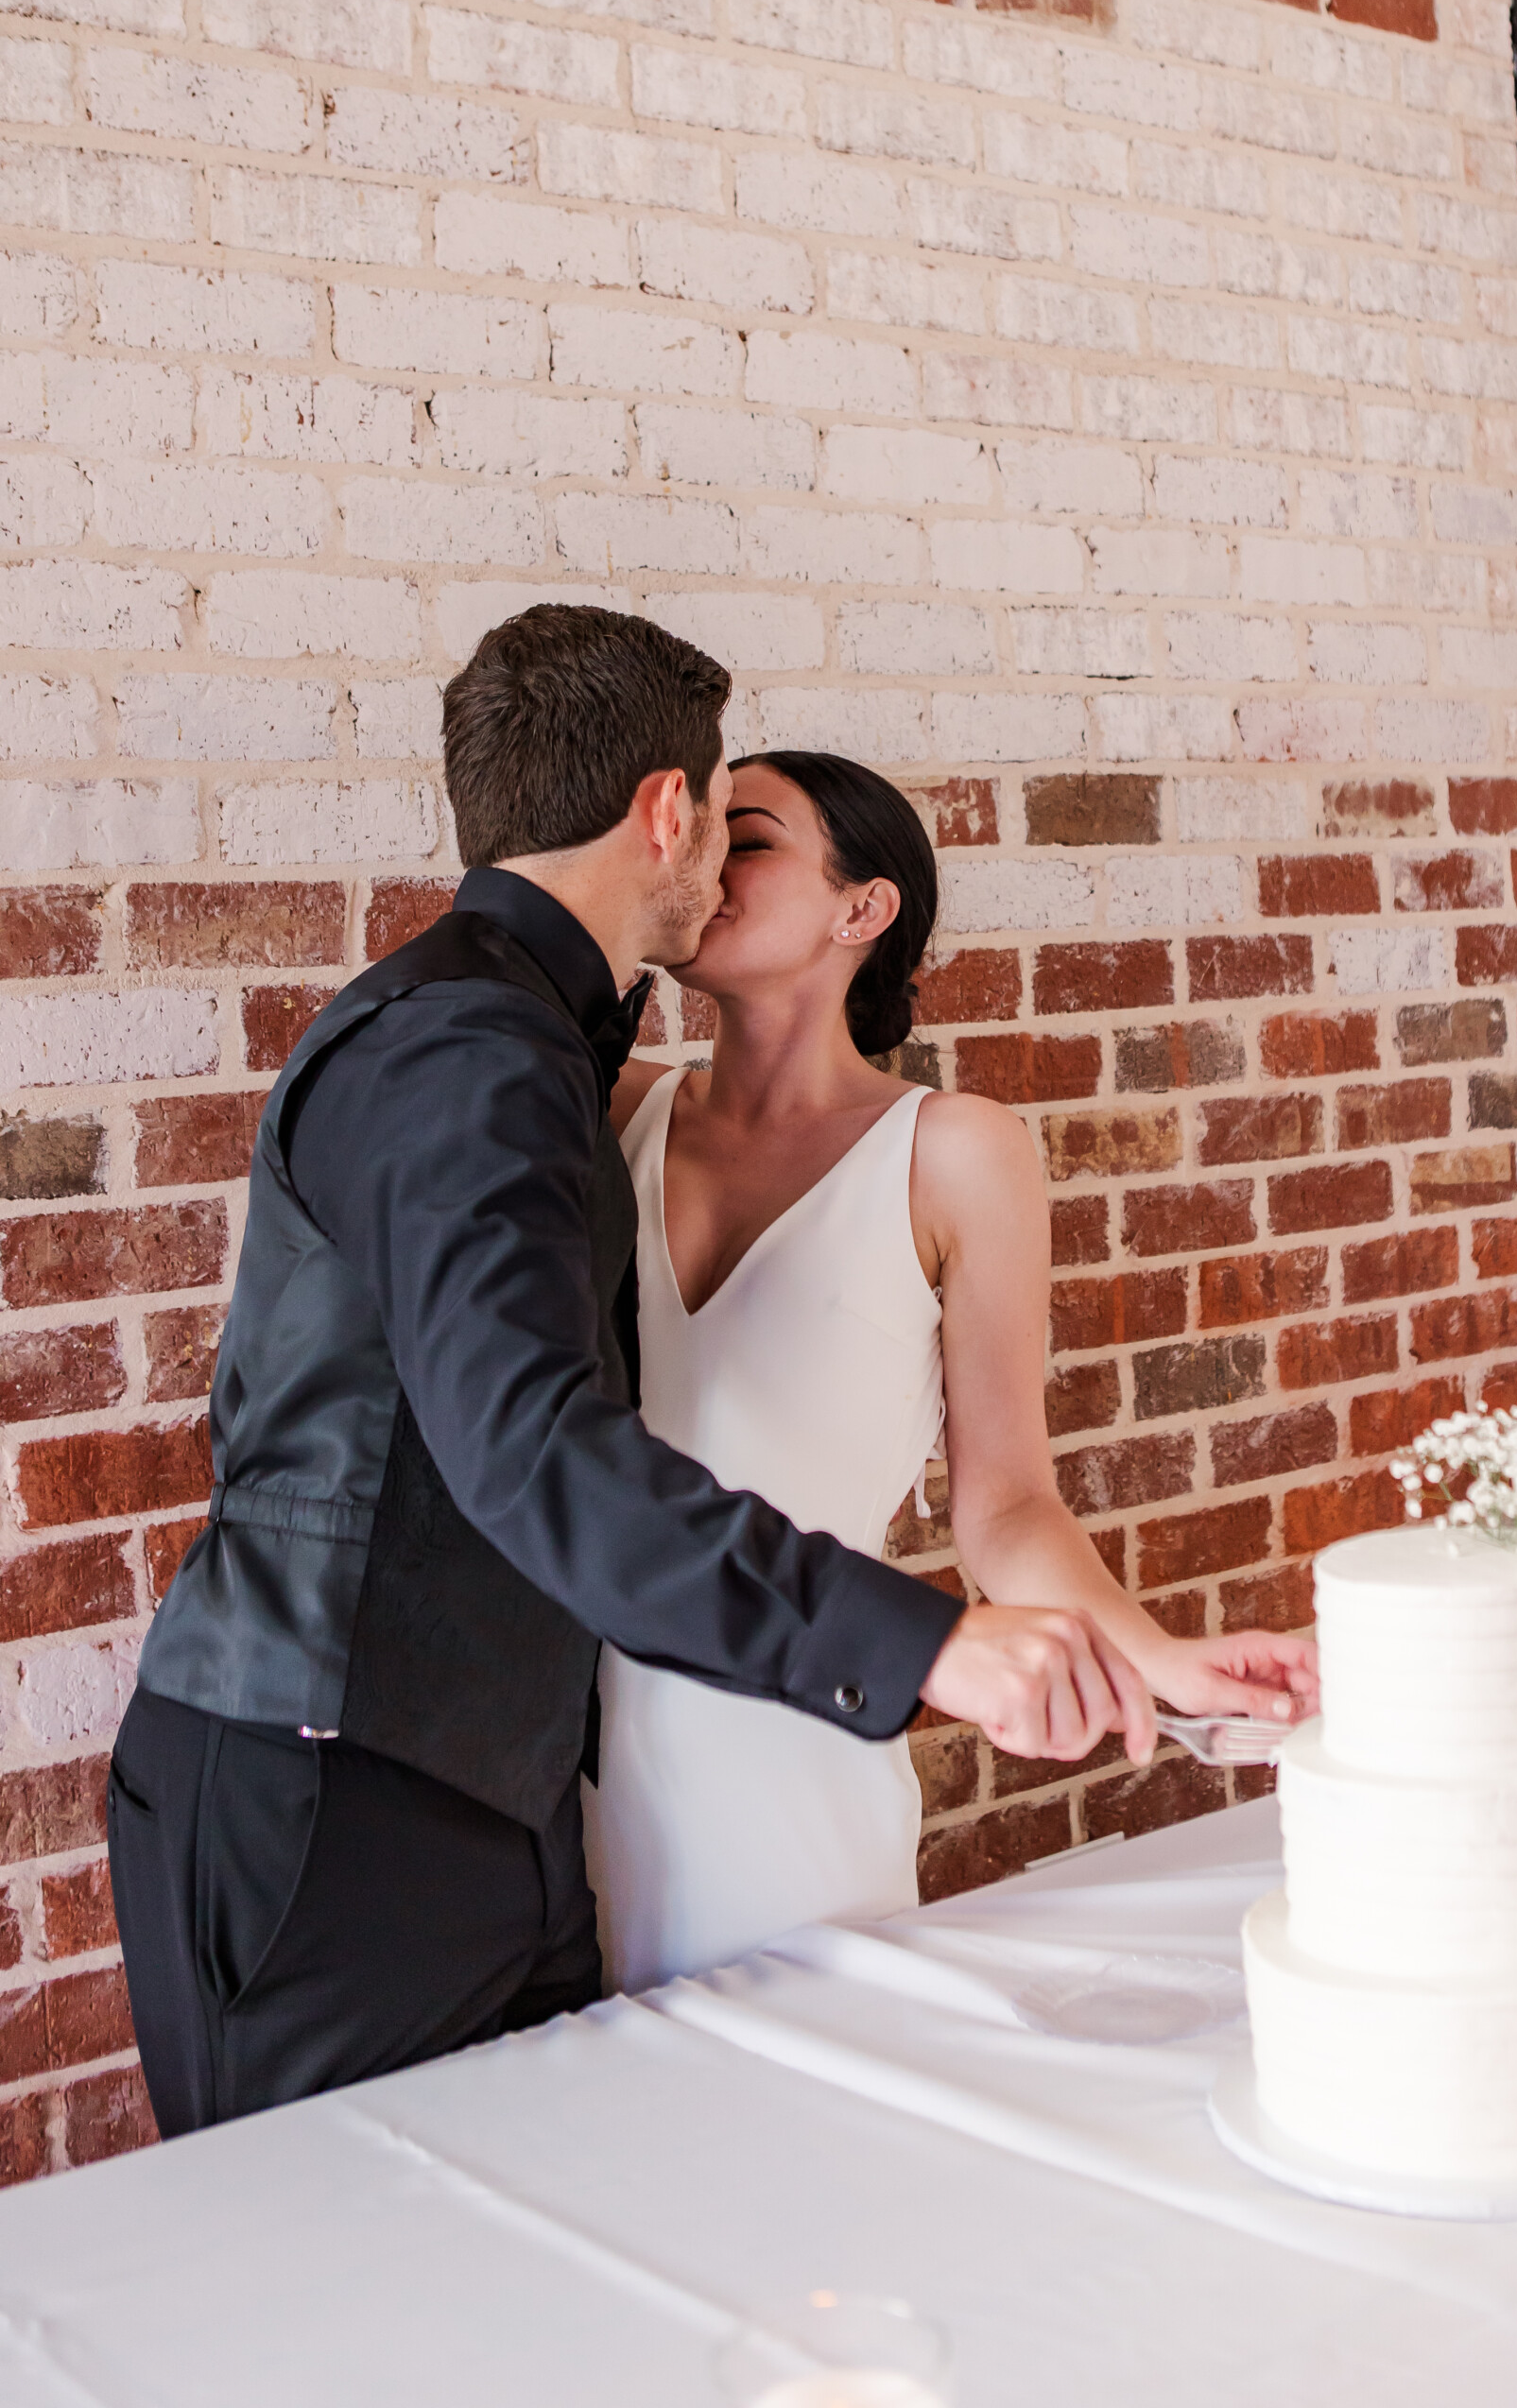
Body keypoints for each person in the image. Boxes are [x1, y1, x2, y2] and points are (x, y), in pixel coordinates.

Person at [107, 608, 1161, 2136]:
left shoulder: (539, 1052)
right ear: (666, 810)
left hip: (501, 1806)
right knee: (329, 2308)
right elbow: (539, 1454)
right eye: (722, 816)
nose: (726, 868)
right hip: (328, 1805)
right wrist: (928, 1646)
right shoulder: (475, 1053)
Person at [586, 750, 1319, 1993]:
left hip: (794, 1780)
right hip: (568, 1791)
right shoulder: (604, 1110)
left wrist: (1152, 1656)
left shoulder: (955, 1156)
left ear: (860, 911)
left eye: (747, 836)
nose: (706, 856)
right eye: (699, 827)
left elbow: (1007, 1505)